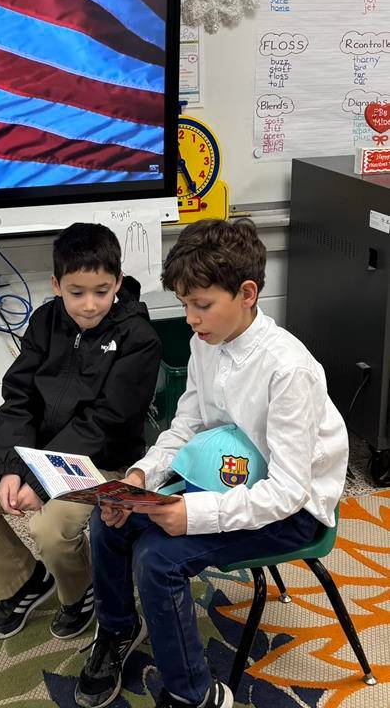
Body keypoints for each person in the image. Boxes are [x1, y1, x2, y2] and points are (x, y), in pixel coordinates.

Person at [75, 219, 348, 708]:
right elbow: (186, 427)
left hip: (294, 510)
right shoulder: (208, 343)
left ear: (247, 293)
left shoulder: (288, 370)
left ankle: (194, 695)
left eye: (201, 305)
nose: (191, 320)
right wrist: (141, 477)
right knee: (111, 516)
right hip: (229, 474)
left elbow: (290, 493)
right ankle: (117, 631)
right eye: (184, 305)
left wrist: (191, 515)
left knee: (156, 559)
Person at [0, 222, 161, 641]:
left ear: (118, 282)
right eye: (75, 292)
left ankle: (80, 593)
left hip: (101, 462)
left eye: (101, 291)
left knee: (51, 529)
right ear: (56, 285)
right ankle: (25, 581)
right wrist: (13, 468)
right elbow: (19, 399)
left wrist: (41, 479)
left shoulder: (139, 339)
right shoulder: (46, 320)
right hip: (33, 453)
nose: (88, 305)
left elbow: (104, 423)